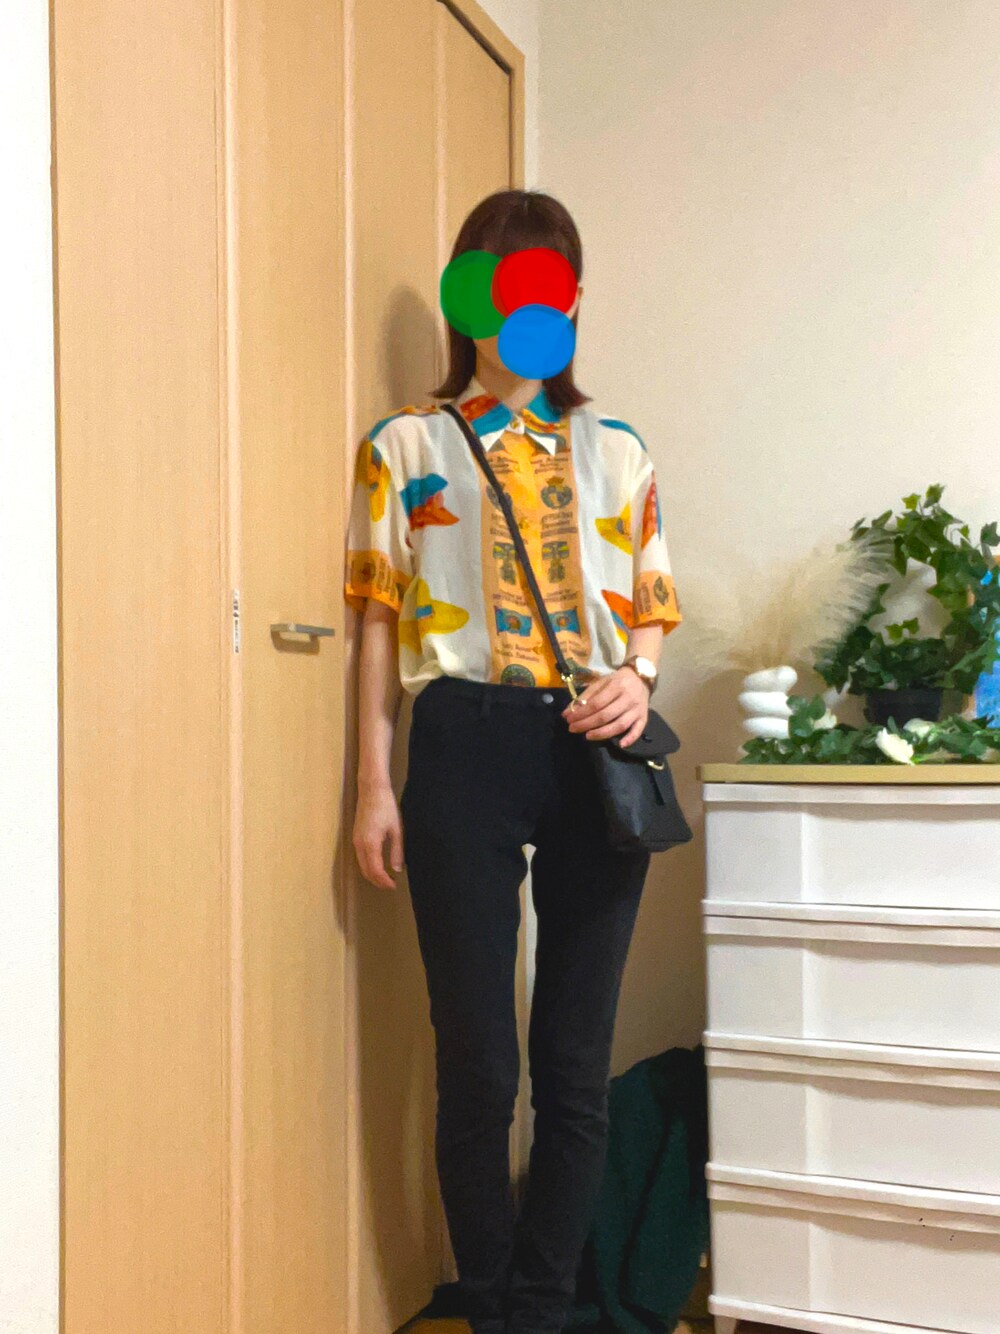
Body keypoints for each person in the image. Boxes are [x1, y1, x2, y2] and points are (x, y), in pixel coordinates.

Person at [344, 189, 682, 1334]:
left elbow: (649, 602)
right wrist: (374, 785)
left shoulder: (618, 449)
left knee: (574, 1063)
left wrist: (639, 677)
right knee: (479, 1061)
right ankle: (489, 1307)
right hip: (462, 741)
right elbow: (379, 624)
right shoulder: (404, 444)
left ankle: (542, 1306)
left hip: (595, 744)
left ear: (570, 302)